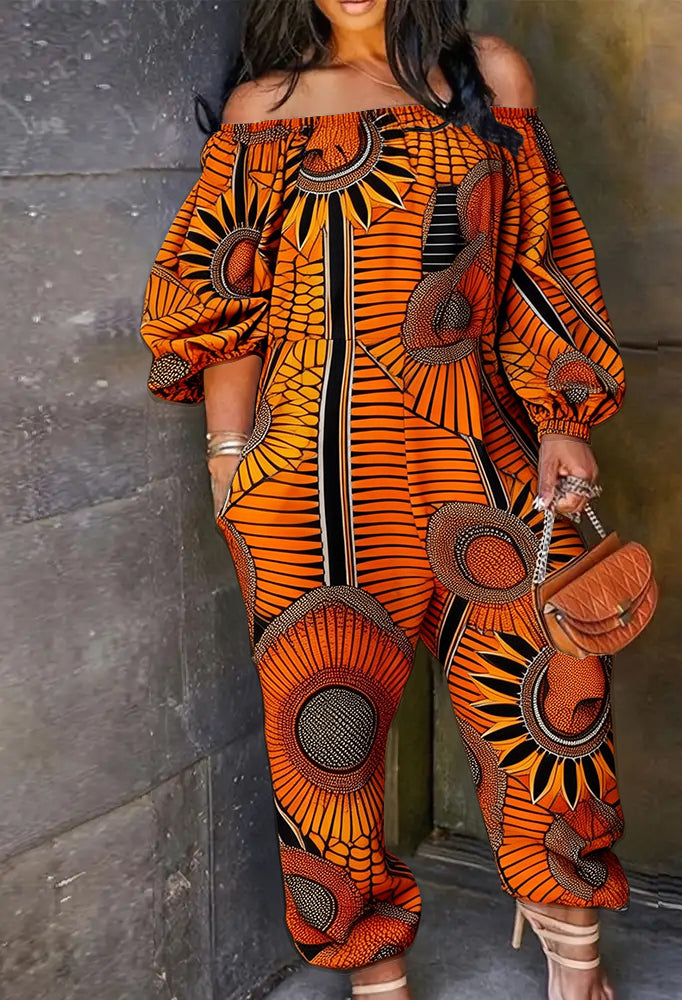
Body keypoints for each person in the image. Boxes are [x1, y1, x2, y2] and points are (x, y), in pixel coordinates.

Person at [140, 2, 629, 998]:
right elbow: (225, 294)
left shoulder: (484, 75)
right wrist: (229, 462)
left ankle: (574, 954)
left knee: (553, 703)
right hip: (309, 466)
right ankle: (376, 976)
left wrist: (563, 415)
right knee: (327, 740)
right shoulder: (264, 106)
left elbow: (536, 257)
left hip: (479, 441)